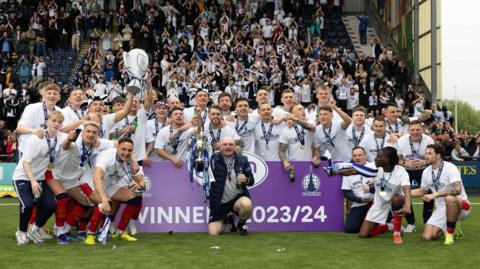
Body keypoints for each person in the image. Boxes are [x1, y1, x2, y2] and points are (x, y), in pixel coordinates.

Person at [13, 111, 73, 245]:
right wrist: (33, 181)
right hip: (22, 177)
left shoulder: (61, 137)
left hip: (39, 178)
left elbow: (72, 137)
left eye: (59, 122)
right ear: (47, 122)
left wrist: (81, 124)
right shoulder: (36, 138)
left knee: (51, 206)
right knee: (27, 205)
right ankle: (22, 232)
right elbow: (25, 162)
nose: (56, 124)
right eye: (54, 121)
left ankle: (34, 230)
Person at [411, 144, 470, 245]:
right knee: (428, 236)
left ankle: (450, 234)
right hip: (441, 208)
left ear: (438, 155)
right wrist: (405, 192)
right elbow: (423, 191)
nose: (426, 156)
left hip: (461, 206)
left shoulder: (450, 168)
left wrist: (435, 194)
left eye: (429, 153)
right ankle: (452, 226)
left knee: (449, 199)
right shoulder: (426, 171)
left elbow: (457, 190)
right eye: (426, 153)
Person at [91, 138, 145, 244]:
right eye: (123, 149)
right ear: (117, 147)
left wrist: (138, 184)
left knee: (136, 196)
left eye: (129, 151)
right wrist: (104, 199)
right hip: (93, 184)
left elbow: (141, 182)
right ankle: (90, 234)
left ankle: (120, 232)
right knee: (104, 204)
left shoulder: (130, 160)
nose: (126, 153)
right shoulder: (107, 156)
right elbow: (97, 177)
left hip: (110, 185)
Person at [358, 147, 412, 244]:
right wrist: (336, 171)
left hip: (395, 201)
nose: (375, 158)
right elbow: (356, 170)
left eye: (379, 156)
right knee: (363, 234)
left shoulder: (401, 172)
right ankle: (388, 226)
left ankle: (397, 232)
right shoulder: (375, 167)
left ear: (387, 160)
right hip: (380, 202)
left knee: (395, 199)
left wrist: (407, 206)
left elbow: (407, 189)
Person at [208, 137, 255, 236]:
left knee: (247, 204)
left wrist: (246, 179)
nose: (228, 147)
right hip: (220, 202)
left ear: (234, 147)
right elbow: (201, 164)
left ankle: (241, 223)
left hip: (237, 199)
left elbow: (251, 180)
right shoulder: (213, 159)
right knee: (213, 233)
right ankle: (227, 220)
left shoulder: (243, 159)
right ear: (220, 147)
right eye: (225, 144)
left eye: (230, 144)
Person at [397, 120, 435, 231]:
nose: (415, 132)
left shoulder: (428, 140)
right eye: (412, 130)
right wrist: (405, 163)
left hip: (424, 169)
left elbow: (434, 156)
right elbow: (395, 159)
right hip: (406, 170)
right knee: (404, 193)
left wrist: (426, 162)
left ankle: (428, 221)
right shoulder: (401, 141)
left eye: (417, 129)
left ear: (422, 130)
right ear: (408, 130)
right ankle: (411, 223)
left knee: (428, 192)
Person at [342, 147, 374, 233]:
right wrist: (359, 200)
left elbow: (382, 185)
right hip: (359, 204)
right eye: (354, 155)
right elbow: (346, 192)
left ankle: (387, 219)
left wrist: (371, 189)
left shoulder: (373, 167)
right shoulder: (347, 171)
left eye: (360, 155)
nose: (357, 158)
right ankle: (368, 223)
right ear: (352, 157)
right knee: (350, 229)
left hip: (374, 203)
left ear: (365, 156)